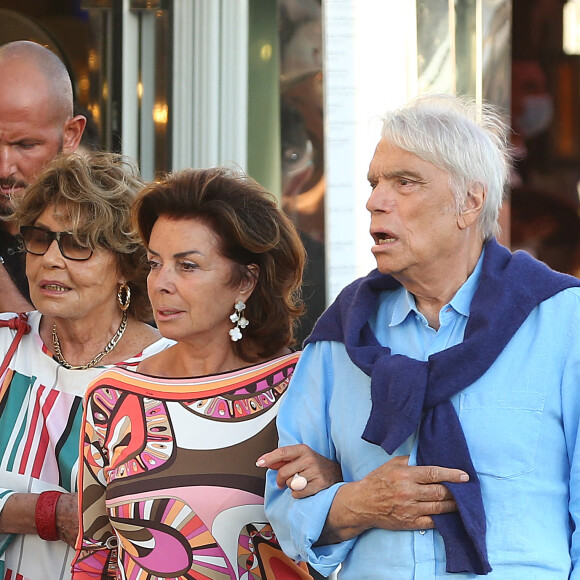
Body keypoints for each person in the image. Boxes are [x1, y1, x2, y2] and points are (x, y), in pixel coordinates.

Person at [261, 94, 580, 578]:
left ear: (469, 203)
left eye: (404, 183)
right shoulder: (342, 335)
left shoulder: (561, 321)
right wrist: (356, 502)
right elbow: (286, 507)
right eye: (374, 183)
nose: (375, 201)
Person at [72, 167, 340, 579]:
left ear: (245, 281)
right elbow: (95, 554)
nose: (161, 283)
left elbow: (354, 521)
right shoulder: (112, 395)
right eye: (154, 263)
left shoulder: (304, 384)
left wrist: (335, 478)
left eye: (188, 266)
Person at [0, 152, 172, 579]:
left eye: (78, 244)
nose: (51, 259)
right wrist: (50, 512)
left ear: (126, 265)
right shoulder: (4, 345)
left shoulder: (168, 375)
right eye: (39, 237)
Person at [0, 40, 86, 312]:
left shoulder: (100, 236)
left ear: (70, 135)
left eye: (26, 146)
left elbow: (68, 349)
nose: (4, 168)